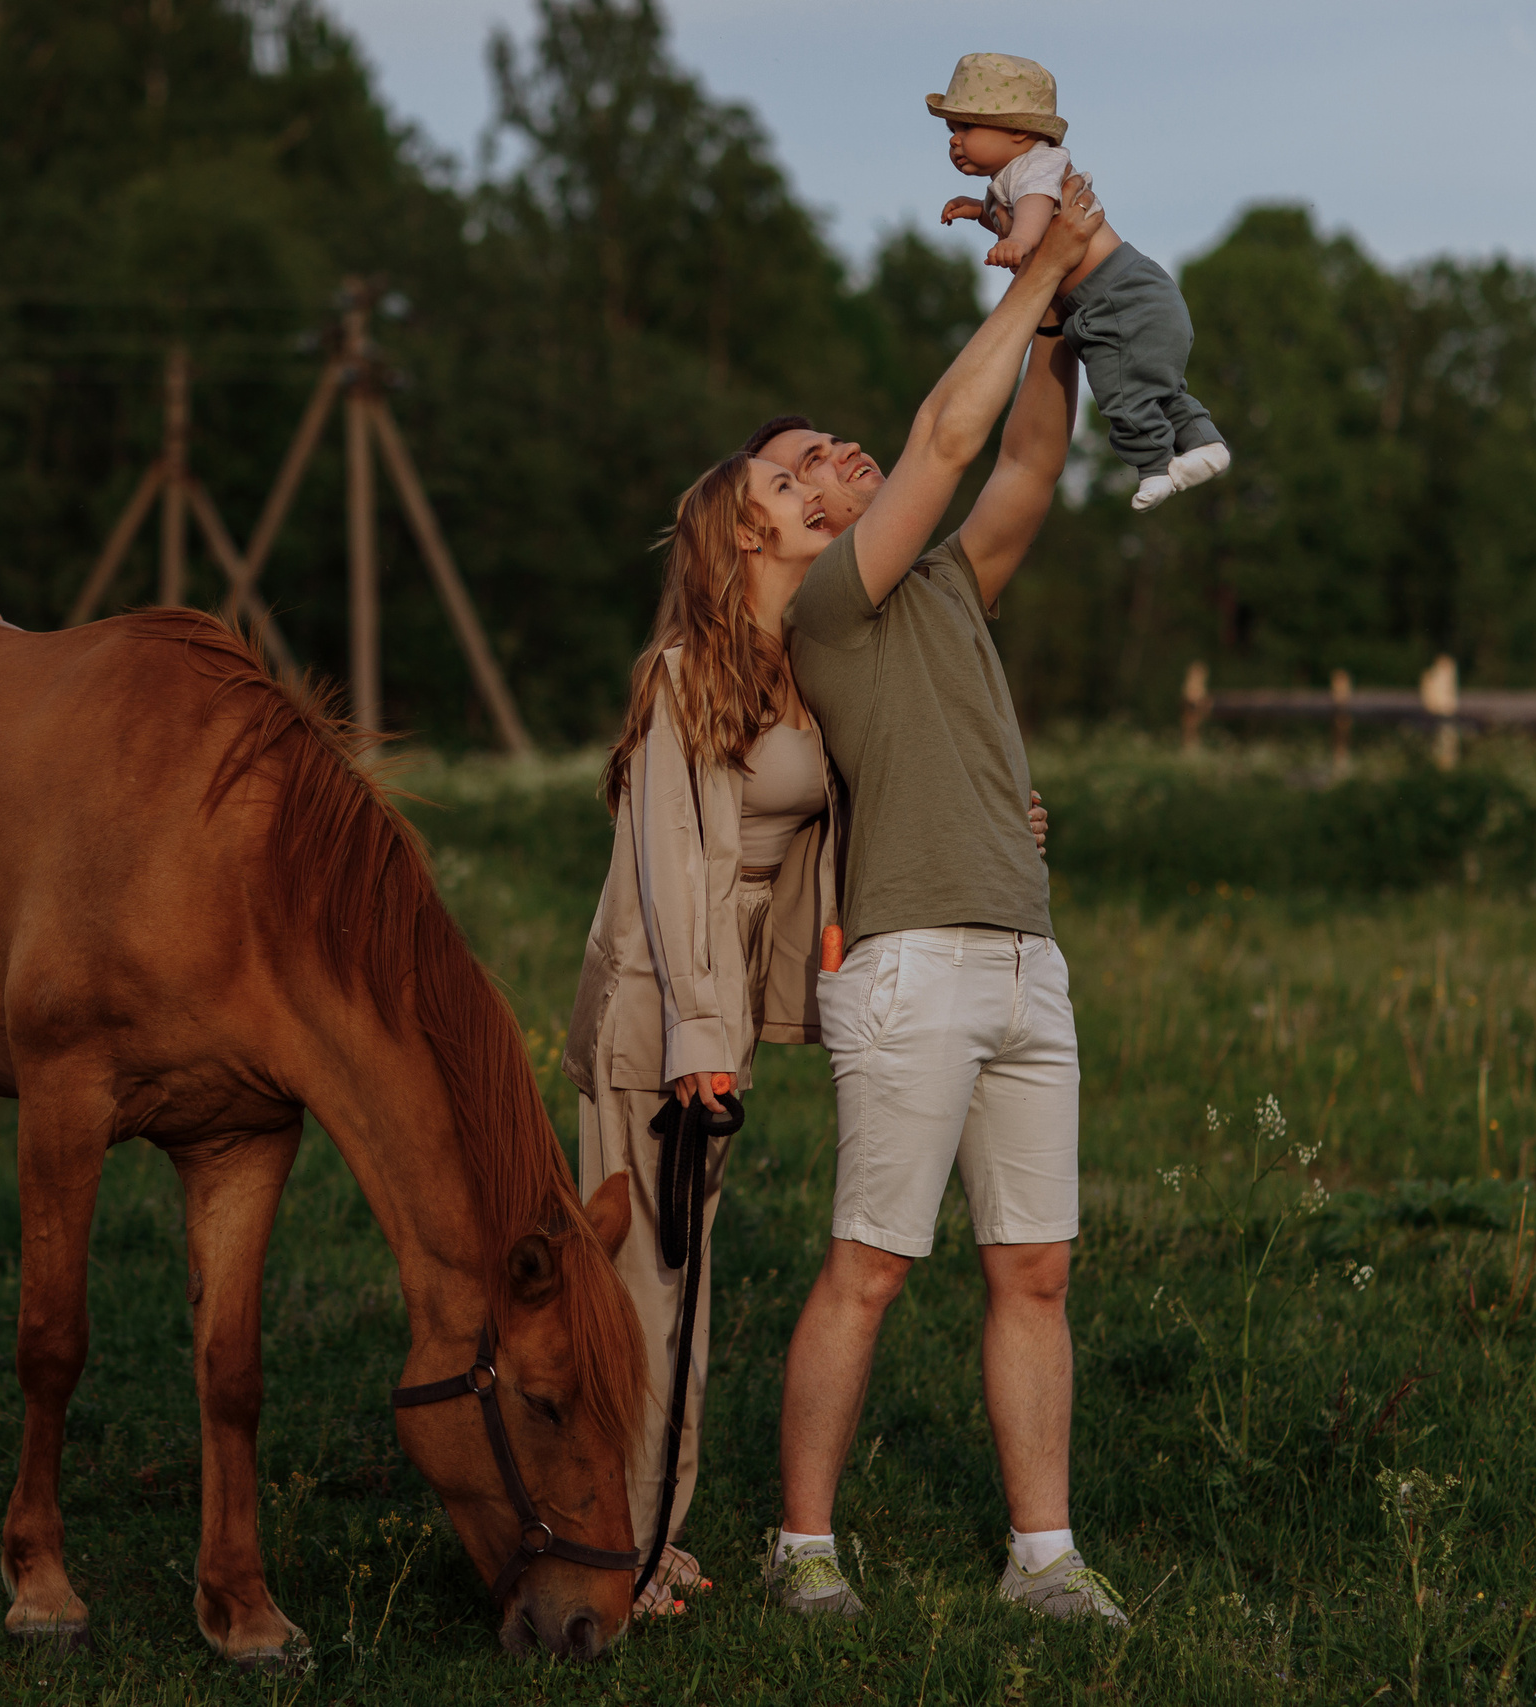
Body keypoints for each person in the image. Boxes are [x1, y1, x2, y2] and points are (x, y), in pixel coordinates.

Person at [561, 456, 1047, 1620]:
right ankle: (609, 1549)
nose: (808, 492)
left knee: (687, 1272)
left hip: (725, 1005)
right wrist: (692, 1037)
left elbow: (880, 791)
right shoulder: (683, 674)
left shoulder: (792, 671)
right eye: (781, 486)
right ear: (742, 537)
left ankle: (649, 1533)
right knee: (641, 1285)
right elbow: (674, 865)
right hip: (659, 997)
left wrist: (1002, 813)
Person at [753, 171, 1130, 1628]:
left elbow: (1024, 461)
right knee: (869, 1266)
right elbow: (945, 434)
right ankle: (803, 1546)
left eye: (826, 450)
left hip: (1030, 960)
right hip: (907, 963)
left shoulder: (948, 588)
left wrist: (1068, 298)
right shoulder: (829, 604)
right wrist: (1029, 272)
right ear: (776, 537)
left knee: (1035, 1266)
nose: (835, 458)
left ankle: (1044, 1553)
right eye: (800, 470)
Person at [929, 51, 1228, 512]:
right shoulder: (1010, 179)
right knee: (1156, 388)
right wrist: (978, 210)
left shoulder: (1038, 166)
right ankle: (1207, 448)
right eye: (951, 131)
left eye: (966, 128)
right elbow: (1014, 215)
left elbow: (1032, 213)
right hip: (1123, 298)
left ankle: (1154, 468)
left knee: (1121, 392)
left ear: (1017, 130)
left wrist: (1020, 241)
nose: (954, 142)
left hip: (1122, 297)